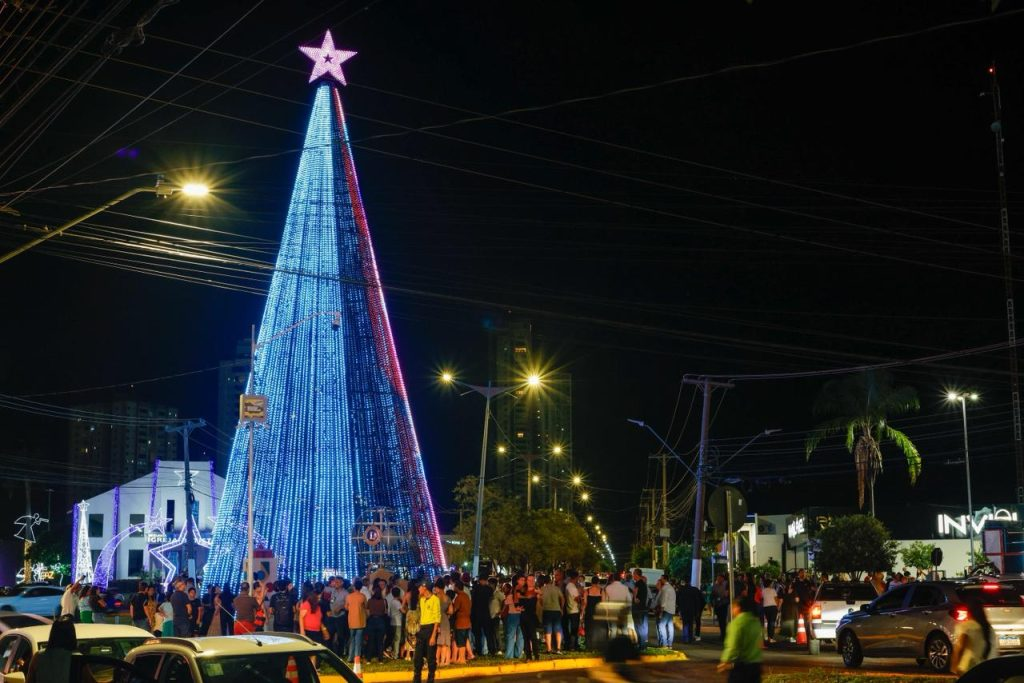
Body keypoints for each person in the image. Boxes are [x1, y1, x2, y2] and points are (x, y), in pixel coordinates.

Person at [25, 615, 94, 683]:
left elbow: (29, 680)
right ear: (72, 636)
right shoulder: (78, 659)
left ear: (52, 635)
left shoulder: (38, 657)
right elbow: (90, 680)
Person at [717, 598, 763, 682]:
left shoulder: (736, 624)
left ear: (738, 608)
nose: (731, 610)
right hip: (756, 665)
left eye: (732, 607)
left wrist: (724, 661)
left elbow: (732, 646)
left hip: (740, 667)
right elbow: (760, 644)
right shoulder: (756, 622)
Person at [951, 597, 999, 676]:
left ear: (969, 611)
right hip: (988, 669)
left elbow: (960, 647)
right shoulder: (989, 628)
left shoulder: (965, 627)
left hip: (968, 669)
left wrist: (954, 666)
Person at [413, 581, 441, 683]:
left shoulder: (435, 600)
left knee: (430, 657)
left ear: (425, 588)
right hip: (422, 629)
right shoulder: (421, 599)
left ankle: (431, 678)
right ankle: (417, 678)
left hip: (430, 629)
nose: (418, 590)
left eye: (419, 587)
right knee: (418, 656)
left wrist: (433, 636)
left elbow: (437, 619)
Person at [471, 575, 497, 657]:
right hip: (486, 613)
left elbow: (473, 601)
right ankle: (492, 650)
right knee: (488, 634)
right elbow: (491, 599)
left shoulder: (475, 588)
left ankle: (479, 651)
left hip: (477, 614)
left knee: (478, 634)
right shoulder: (489, 589)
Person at [540, 574, 565, 654]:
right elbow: (562, 598)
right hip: (556, 610)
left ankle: (549, 649)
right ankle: (558, 648)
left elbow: (540, 600)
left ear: (544, 581)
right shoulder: (556, 588)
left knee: (548, 631)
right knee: (558, 630)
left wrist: (542, 605)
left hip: (547, 610)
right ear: (550, 580)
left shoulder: (542, 589)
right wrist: (561, 607)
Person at [518, 574, 541, 661]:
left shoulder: (536, 591)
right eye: (529, 580)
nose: (531, 582)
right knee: (525, 637)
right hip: (523, 615)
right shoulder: (522, 591)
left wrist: (539, 597)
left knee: (533, 637)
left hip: (532, 615)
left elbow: (540, 603)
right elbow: (519, 603)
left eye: (532, 580)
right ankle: (528, 656)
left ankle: (536, 655)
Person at [449, 577, 472, 663]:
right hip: (467, 622)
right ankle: (461, 658)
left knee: (461, 641)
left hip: (460, 622)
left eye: (454, 587)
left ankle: (462, 659)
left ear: (458, 587)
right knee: (463, 640)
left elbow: (454, 610)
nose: (453, 588)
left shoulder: (459, 597)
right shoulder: (466, 596)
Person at [346, 579, 368, 663]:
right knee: (358, 641)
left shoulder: (349, 596)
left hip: (351, 621)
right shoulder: (362, 596)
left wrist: (351, 609)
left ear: (354, 587)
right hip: (360, 621)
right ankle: (357, 657)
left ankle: (350, 657)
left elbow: (346, 607)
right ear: (361, 587)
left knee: (352, 640)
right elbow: (366, 606)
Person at [792, 569, 815, 644]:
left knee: (807, 622)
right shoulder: (796, 582)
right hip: (798, 604)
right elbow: (792, 590)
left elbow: (813, 589)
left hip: (806, 604)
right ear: (799, 574)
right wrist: (796, 596)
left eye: (804, 573)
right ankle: (795, 636)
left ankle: (808, 638)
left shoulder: (807, 582)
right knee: (796, 620)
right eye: (802, 573)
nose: (803, 574)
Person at [366, 587, 389, 663]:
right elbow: (386, 612)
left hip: (372, 621)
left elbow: (368, 613)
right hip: (381, 621)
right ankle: (380, 660)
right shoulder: (384, 601)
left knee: (370, 641)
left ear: (373, 592)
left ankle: (368, 659)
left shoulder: (370, 601)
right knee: (380, 642)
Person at [503, 578, 524, 658]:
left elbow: (505, 607)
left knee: (510, 636)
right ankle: (518, 654)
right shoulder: (522, 596)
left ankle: (509, 655)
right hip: (521, 615)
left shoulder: (510, 596)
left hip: (512, 616)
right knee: (521, 636)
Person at [654, 575, 675, 648]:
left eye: (661, 579)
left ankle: (664, 644)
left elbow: (664, 601)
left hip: (666, 609)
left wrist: (661, 612)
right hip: (672, 610)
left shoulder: (665, 588)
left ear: (664, 579)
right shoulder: (671, 588)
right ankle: (670, 644)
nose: (660, 579)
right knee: (670, 626)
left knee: (661, 625)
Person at [630, 569, 649, 652]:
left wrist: (634, 597)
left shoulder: (638, 583)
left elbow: (635, 594)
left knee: (639, 627)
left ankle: (641, 646)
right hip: (643, 608)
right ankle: (642, 645)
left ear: (637, 575)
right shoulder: (643, 584)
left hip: (638, 608)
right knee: (642, 627)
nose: (632, 575)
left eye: (633, 574)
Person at [564, 570, 582, 652]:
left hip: (570, 609)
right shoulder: (571, 587)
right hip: (574, 610)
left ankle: (572, 645)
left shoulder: (569, 586)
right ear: (576, 577)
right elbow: (577, 598)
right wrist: (581, 598)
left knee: (573, 628)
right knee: (574, 629)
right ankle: (572, 646)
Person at [404, 580, 421, 661]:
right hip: (417, 615)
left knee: (409, 635)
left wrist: (406, 612)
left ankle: (408, 655)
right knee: (417, 635)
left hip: (409, 614)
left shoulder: (407, 594)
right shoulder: (419, 595)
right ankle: (415, 654)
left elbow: (402, 606)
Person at [761, 577, 779, 644]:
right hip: (773, 607)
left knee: (769, 622)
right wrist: (778, 607)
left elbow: (762, 598)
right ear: (769, 584)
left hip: (766, 607)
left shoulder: (763, 591)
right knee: (772, 623)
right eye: (771, 583)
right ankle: (771, 638)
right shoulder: (773, 590)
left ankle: (769, 637)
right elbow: (776, 599)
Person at [387, 586, 405, 658]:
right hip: (398, 623)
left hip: (392, 622)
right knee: (397, 639)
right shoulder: (397, 602)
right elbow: (403, 611)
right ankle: (396, 654)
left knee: (394, 638)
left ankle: (391, 650)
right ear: (399, 593)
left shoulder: (391, 602)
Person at [712, 574, 730, 639]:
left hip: (724, 604)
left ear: (723, 578)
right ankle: (722, 633)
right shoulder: (715, 586)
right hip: (718, 605)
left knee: (723, 619)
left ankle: (724, 634)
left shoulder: (726, 584)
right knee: (720, 620)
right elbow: (713, 594)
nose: (718, 580)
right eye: (717, 578)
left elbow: (727, 594)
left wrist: (722, 596)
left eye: (719, 578)